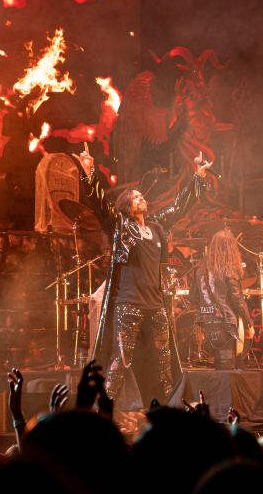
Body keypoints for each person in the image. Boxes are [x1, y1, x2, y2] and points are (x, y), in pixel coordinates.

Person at [73, 145, 212, 407]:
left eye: (141, 196)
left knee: (164, 360)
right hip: (129, 305)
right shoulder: (119, 225)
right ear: (126, 206)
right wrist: (89, 172)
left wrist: (199, 177)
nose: (141, 199)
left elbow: (179, 206)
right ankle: (103, 410)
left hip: (155, 305)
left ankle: (170, 410)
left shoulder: (156, 227)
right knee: (121, 360)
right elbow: (99, 204)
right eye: (136, 197)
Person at [190, 228, 255, 369]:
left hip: (206, 321)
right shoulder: (229, 268)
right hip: (225, 321)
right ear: (231, 247)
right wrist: (248, 324)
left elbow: (193, 297)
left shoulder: (201, 268)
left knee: (230, 364)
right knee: (226, 367)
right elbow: (237, 299)